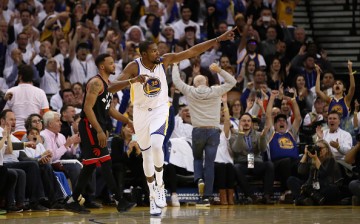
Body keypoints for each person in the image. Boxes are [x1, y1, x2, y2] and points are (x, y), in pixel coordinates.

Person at [108, 28, 236, 215]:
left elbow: (192, 51)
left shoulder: (165, 60)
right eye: (153, 51)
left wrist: (218, 38)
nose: (157, 53)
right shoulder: (133, 67)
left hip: (160, 109)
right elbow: (112, 87)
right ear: (144, 54)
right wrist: (132, 81)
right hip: (141, 111)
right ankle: (153, 195)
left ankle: (160, 189)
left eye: (157, 50)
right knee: (146, 155)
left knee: (158, 145)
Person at [64, 54, 142, 214]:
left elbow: (111, 110)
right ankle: (119, 200)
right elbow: (87, 108)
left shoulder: (106, 84)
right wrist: (99, 130)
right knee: (106, 162)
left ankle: (73, 200)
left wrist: (128, 121)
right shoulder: (95, 82)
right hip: (90, 127)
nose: (114, 66)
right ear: (102, 66)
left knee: (90, 165)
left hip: (96, 126)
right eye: (111, 63)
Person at [172, 62, 236, 206]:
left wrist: (175, 65)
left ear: (195, 84)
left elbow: (176, 81)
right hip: (213, 130)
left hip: (198, 130)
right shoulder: (215, 91)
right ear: (206, 82)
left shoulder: (190, 91)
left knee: (197, 158)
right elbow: (233, 81)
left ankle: (199, 179)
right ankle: (207, 197)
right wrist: (219, 70)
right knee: (210, 164)